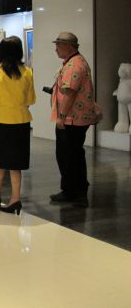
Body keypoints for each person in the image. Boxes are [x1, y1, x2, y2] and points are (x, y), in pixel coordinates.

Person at [0, 36, 36, 215]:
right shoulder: (27, 72)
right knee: (16, 164)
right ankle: (15, 199)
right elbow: (31, 99)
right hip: (21, 120)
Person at [49, 32, 98, 208]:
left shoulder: (74, 64)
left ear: (68, 46)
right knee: (74, 154)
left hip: (72, 119)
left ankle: (71, 191)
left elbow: (70, 92)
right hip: (75, 118)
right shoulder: (75, 61)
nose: (56, 49)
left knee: (67, 155)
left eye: (58, 45)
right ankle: (77, 189)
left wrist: (61, 116)